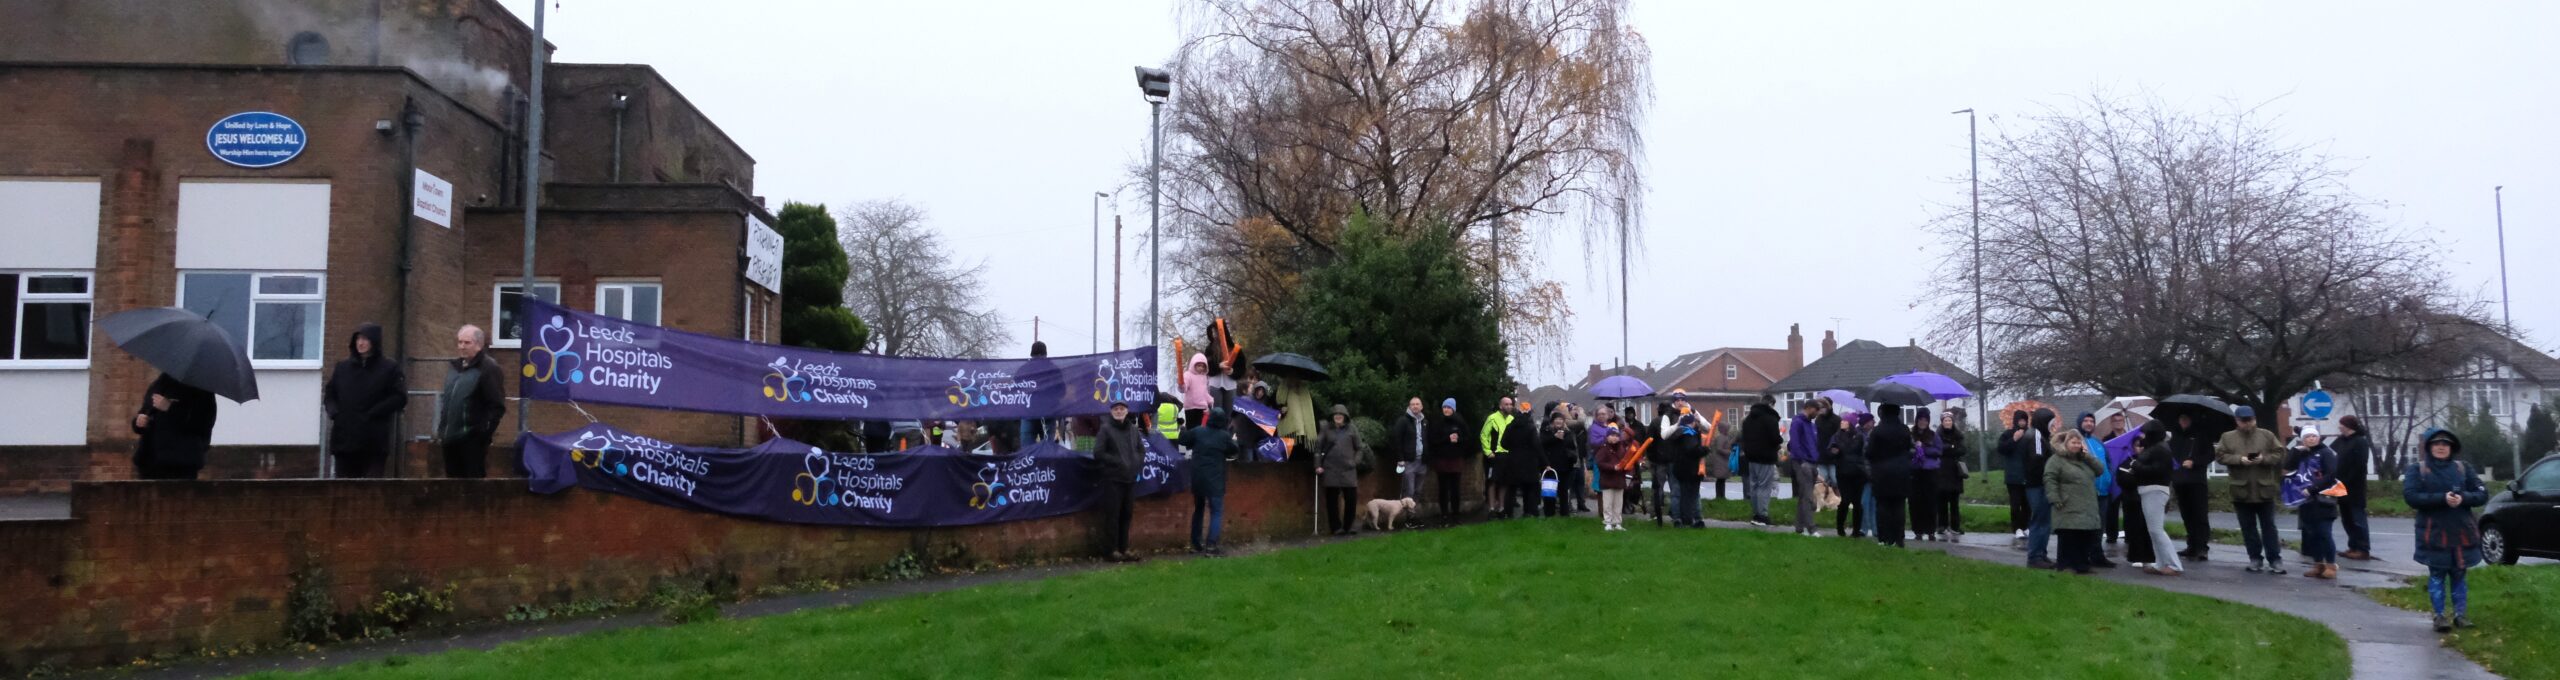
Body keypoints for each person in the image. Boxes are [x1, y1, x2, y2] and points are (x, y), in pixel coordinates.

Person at [2404, 429, 2488, 633]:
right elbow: (2411, 497)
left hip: (2462, 531)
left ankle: (2460, 615)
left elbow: (2482, 494)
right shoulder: (2418, 470)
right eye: (2436, 444)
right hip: (2433, 532)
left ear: (2452, 447)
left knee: (2459, 573)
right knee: (2437, 574)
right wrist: (2442, 498)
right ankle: (2439, 616)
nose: (2441, 447)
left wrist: (2463, 498)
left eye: (2445, 444)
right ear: (2429, 447)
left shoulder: (2463, 468)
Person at [322, 322, 407, 478]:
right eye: (358, 339)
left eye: (365, 339)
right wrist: (335, 413)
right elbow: (330, 394)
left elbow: (399, 397)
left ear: (374, 341)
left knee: (371, 486)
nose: (360, 343)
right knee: (343, 487)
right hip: (345, 439)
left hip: (373, 440)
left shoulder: (389, 368)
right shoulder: (342, 368)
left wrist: (375, 412)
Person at [2217, 405, 2287, 574]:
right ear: (2237, 421)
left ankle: (2275, 559)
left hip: (2264, 489)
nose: (2247, 423)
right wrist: (2239, 459)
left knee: (2269, 527)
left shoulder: (2267, 435)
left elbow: (2279, 453)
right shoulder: (2227, 437)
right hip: (2241, 490)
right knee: (2248, 528)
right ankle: (2255, 558)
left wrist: (2264, 459)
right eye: (2244, 420)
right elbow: (2220, 456)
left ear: (2255, 419)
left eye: (2250, 420)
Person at [436, 324, 507, 479]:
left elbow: (496, 406)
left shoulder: (488, 368)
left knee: (473, 485)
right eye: (460, 342)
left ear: (479, 345)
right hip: (450, 438)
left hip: (472, 440)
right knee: (451, 485)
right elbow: (449, 401)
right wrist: (442, 430)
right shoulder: (454, 367)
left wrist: (482, 435)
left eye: (467, 343)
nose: (462, 346)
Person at [131, 373, 216, 480]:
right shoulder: (160, 382)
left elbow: (202, 423)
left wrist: (170, 408)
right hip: (149, 461)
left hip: (180, 463)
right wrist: (139, 421)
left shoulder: (201, 389)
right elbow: (146, 410)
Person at [2045, 427, 2105, 575]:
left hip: (2087, 505)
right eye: (2073, 442)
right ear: (2066, 443)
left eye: (2079, 443)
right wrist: (2054, 497)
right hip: (2067, 504)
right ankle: (2065, 566)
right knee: (2068, 536)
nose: (2076, 445)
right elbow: (2050, 478)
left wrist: (2087, 456)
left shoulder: (2084, 459)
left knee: (2085, 536)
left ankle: (2082, 565)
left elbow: (2100, 470)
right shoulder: (2056, 460)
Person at [2128, 421, 2184, 576]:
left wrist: (2136, 466)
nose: (2143, 437)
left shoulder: (2160, 449)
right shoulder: (2156, 448)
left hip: (2155, 490)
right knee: (2153, 530)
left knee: (2156, 530)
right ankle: (2161, 563)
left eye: (2145, 433)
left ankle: (2173, 565)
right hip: (2150, 489)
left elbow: (2158, 471)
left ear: (2152, 434)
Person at [1178, 408, 1237, 555]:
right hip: (1215, 480)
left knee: (1198, 509)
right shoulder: (1224, 436)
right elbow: (1234, 450)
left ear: (1209, 418)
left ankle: (1195, 544)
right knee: (1216, 511)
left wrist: (1183, 428)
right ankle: (1211, 547)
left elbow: (1183, 440)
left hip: (1198, 478)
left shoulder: (1198, 431)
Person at [2005, 409, 2058, 568]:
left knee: (2045, 521)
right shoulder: (2036, 436)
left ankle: (2041, 554)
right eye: (2051, 423)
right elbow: (2037, 459)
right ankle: (2035, 556)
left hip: (2039, 483)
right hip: (2037, 484)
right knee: (2039, 520)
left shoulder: (2039, 435)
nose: (2053, 427)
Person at [2288, 426, 2342, 580]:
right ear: (2302, 440)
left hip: (2323, 500)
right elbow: (2288, 468)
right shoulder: (2302, 454)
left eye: (2313, 436)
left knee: (2324, 533)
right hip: (2306, 501)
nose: (2311, 439)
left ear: (2318, 437)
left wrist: (2313, 488)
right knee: (2312, 534)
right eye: (2307, 437)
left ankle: (2331, 565)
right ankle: (2318, 564)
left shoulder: (2326, 453)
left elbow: (2331, 474)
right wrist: (2295, 452)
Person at [1094, 401, 1145, 561]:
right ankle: (1111, 550)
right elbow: (1098, 453)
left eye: (1122, 409)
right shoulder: (1105, 429)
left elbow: (1141, 449)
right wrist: (1117, 461)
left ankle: (1124, 548)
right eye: (1116, 409)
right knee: (1113, 515)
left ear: (1127, 411)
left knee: (1126, 514)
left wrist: (1136, 462)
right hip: (1113, 479)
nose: (1119, 411)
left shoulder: (1133, 429)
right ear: (1111, 412)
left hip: (1130, 479)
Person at [2098, 413, 2146, 569]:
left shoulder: (2132, 437)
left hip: (2130, 475)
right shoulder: (2107, 439)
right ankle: (2111, 535)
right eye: (2115, 420)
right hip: (2115, 475)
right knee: (2112, 507)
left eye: (2120, 420)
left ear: (2124, 421)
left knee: (2129, 507)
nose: (2118, 423)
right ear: (2111, 423)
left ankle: (2129, 535)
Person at [1866, 403, 1915, 547]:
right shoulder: (1904, 429)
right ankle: (1899, 538)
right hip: (1901, 471)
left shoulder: (1877, 431)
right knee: (1899, 505)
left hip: (1882, 472)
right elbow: (1909, 448)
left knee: (1883, 505)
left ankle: (1885, 538)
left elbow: (1869, 452)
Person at [2076, 412, 2120, 568]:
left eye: (2091, 421)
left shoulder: (2098, 442)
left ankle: (2097, 555)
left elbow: (2108, 463)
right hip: (2087, 491)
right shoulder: (2076, 441)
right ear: (2080, 422)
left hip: (2103, 491)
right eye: (2086, 420)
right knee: (2086, 525)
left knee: (2100, 525)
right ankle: (2083, 555)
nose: (2089, 423)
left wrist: (2109, 478)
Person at [2172, 413, 2218, 562]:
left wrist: (2194, 462)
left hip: (2196, 481)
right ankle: (2191, 545)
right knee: (2186, 515)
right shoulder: (2175, 435)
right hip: (2179, 480)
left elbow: (2210, 455)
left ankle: (2202, 547)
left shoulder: (2201, 435)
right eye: (2181, 419)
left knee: (2200, 514)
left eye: (2186, 418)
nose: (2183, 421)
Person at [2334, 415, 2377, 561]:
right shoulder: (2341, 441)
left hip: (2354, 487)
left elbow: (2359, 465)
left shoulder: (2360, 441)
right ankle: (2353, 546)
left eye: (2341, 424)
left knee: (2357, 518)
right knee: (2347, 519)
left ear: (2348, 426)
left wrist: (2346, 480)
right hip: (2340, 486)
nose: (2339, 427)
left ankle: (2363, 549)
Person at [1317, 404, 1364, 535]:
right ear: (1332, 416)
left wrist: (1355, 462)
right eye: (1336, 414)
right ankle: (1336, 527)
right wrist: (1318, 465)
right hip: (1330, 468)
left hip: (1348, 469)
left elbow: (1360, 448)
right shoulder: (1326, 428)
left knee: (1351, 499)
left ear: (1345, 416)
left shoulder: (1352, 428)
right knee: (1331, 500)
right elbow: (1318, 447)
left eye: (1341, 414)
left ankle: (1349, 525)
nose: (1338, 416)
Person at [1739, 395, 1784, 527]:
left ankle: (1755, 514)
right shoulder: (1770, 418)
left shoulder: (1748, 419)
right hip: (1766, 456)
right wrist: (1780, 441)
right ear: (1771, 404)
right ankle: (1762, 515)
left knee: (1754, 485)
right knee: (1764, 486)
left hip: (1751, 456)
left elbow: (1743, 437)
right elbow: (1775, 438)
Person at [1998, 410, 2036, 546]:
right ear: (2015, 420)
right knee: (2015, 504)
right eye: (2020, 420)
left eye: (2024, 420)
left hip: (2027, 475)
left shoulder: (2030, 435)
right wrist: (2014, 439)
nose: (2022, 422)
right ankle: (2017, 528)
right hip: (2013, 476)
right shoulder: (2008, 434)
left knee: (2027, 504)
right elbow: (2001, 449)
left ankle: (2026, 527)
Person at [1786, 400, 1824, 536]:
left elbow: (1814, 444)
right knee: (1808, 496)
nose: (1817, 413)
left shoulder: (1811, 425)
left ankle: (1799, 527)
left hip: (1812, 462)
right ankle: (1811, 528)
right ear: (1809, 408)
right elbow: (1795, 443)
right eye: (1816, 410)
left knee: (1803, 495)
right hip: (1803, 463)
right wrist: (1802, 460)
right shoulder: (1798, 423)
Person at [1831, 412, 1871, 538]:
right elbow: (1831, 449)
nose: (1842, 422)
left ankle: (1856, 530)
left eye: (1845, 421)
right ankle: (1840, 528)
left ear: (1851, 423)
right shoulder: (1837, 435)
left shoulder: (1858, 436)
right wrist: (1833, 451)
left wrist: (1840, 448)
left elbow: (1853, 449)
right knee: (1845, 500)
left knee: (1857, 502)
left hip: (1857, 472)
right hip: (1843, 472)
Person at [1664, 413, 1708, 527]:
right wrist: (1704, 450)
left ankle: (1678, 518)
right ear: (1691, 423)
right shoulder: (1689, 434)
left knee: (1678, 494)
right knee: (1691, 495)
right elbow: (1691, 450)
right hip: (1689, 468)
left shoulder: (1677, 433)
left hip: (1677, 466)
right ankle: (1692, 519)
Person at [1594, 416, 1636, 531]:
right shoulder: (1603, 449)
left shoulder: (1622, 449)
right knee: (1608, 503)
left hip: (1619, 481)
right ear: (1607, 436)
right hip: (1607, 481)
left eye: (1617, 436)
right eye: (1612, 435)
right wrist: (1613, 467)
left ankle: (1617, 522)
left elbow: (1626, 461)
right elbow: (1600, 463)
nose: (1615, 438)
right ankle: (1608, 522)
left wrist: (1627, 469)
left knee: (1618, 503)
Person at [1428, 398, 1469, 517]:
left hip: (1456, 459)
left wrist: (1458, 440)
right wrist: (1447, 438)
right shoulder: (1438, 422)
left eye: (1449, 407)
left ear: (1453, 409)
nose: (1446, 410)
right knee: (1443, 489)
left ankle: (1456, 513)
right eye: (1444, 407)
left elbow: (1467, 438)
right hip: (1442, 459)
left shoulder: (1460, 422)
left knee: (1455, 488)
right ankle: (1444, 514)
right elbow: (1433, 440)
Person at [1480, 396, 1518, 517]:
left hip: (1507, 456)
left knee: (1504, 482)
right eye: (1506, 404)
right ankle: (1491, 508)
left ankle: (1501, 508)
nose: (1509, 406)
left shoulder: (1512, 419)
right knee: (1492, 482)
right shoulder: (1492, 418)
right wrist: (1488, 452)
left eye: (1511, 404)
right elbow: (1483, 435)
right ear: (1500, 406)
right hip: (1494, 456)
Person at [1936, 409, 1969, 538]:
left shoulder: (1958, 435)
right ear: (1942, 422)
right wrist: (1952, 447)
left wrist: (1950, 448)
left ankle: (1955, 526)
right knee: (1942, 500)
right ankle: (1942, 526)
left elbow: (1963, 449)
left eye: (1949, 420)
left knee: (1954, 502)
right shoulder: (1938, 435)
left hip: (1955, 472)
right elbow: (1939, 449)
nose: (1948, 422)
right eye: (1945, 420)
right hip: (1942, 471)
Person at [1910, 409, 1942, 542]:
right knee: (1915, 502)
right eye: (1920, 420)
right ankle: (1918, 530)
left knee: (1930, 502)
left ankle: (1930, 530)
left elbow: (1938, 451)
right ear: (1917, 420)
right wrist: (1914, 449)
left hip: (1930, 472)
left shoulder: (1933, 435)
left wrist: (1924, 448)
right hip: (1915, 472)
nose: (1923, 422)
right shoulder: (1911, 435)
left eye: (1925, 420)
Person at [1391, 397, 1429, 502]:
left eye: (1417, 404)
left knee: (1418, 490)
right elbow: (1396, 439)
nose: (1415, 406)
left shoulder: (1425, 422)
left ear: (1421, 407)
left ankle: (1412, 511)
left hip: (1422, 461)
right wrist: (1400, 458)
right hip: (1408, 461)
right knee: (1409, 490)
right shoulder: (1403, 421)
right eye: (1413, 404)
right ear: (1409, 406)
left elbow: (1427, 439)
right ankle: (1405, 511)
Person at [1180, 353, 1213, 428]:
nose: (1201, 368)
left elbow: (1204, 392)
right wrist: (1181, 385)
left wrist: (1210, 400)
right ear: (1193, 364)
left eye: (1203, 366)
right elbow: (1184, 389)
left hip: (1202, 407)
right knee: (1191, 428)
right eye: (1199, 365)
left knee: (1201, 428)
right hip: (1191, 408)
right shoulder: (1188, 375)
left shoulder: (1204, 377)